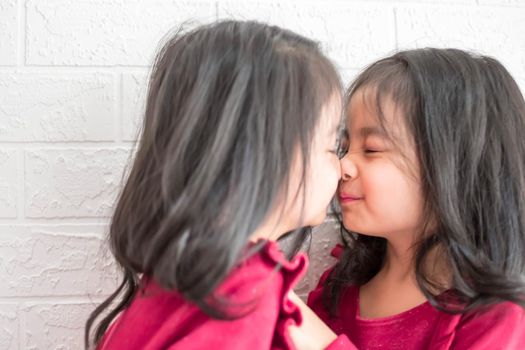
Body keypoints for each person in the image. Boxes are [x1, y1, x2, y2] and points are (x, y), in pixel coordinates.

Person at [85, 20, 353, 350]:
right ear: (265, 153)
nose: (342, 168)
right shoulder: (240, 295)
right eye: (332, 145)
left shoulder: (180, 276)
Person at [308, 48, 525, 349]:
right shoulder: (336, 290)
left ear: (453, 168)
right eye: (344, 147)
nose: (343, 165)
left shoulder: (497, 317)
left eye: (371, 149)